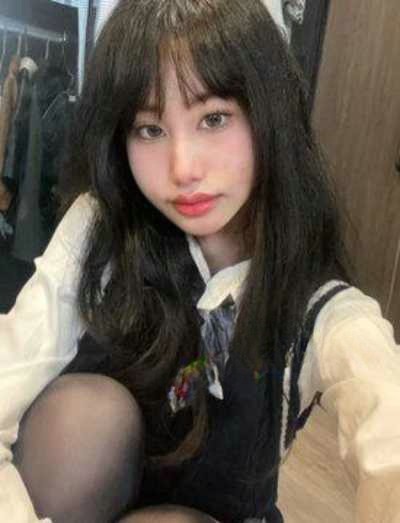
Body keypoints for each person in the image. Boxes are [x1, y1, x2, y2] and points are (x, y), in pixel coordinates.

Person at [1, 1, 400, 522]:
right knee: (85, 416)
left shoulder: (315, 305)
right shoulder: (104, 226)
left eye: (214, 118)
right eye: (150, 129)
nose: (183, 168)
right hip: (75, 499)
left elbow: (387, 428)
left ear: (269, 113)